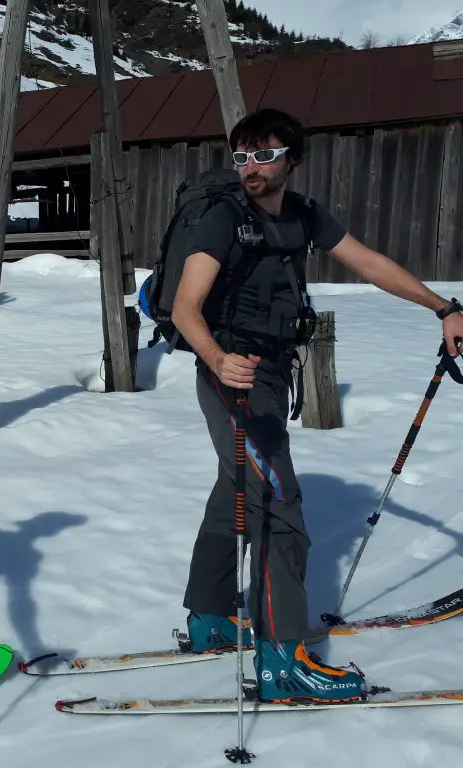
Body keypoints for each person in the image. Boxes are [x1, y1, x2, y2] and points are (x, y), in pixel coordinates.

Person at [170, 107, 463, 703]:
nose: (251, 168)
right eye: (242, 157)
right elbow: (185, 307)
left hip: (273, 373)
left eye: (264, 155)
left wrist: (442, 307)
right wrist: (216, 357)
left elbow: (371, 263)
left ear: (292, 160)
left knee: (238, 489)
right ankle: (282, 660)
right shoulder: (223, 220)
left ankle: (210, 621)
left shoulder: (304, 216)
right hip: (232, 377)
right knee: (279, 505)